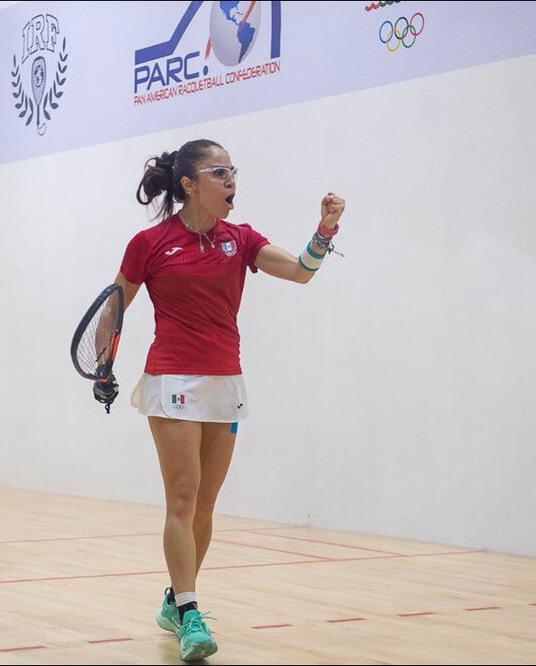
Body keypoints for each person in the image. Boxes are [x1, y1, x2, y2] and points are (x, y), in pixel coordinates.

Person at [94, 139, 345, 662]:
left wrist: (324, 231)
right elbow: (115, 305)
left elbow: (300, 271)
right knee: (182, 499)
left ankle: (173, 599)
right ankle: (189, 612)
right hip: (172, 381)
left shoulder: (241, 239)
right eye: (219, 171)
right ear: (189, 184)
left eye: (234, 171)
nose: (231, 181)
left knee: (205, 506)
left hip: (225, 383)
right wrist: (103, 363)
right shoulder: (150, 242)